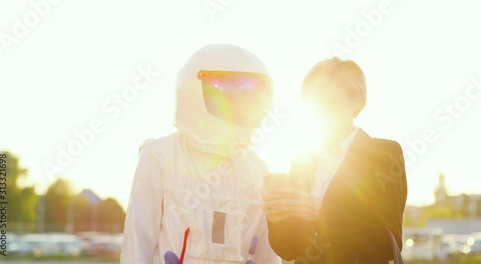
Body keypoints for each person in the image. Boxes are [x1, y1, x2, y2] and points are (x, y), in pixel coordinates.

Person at [120, 44, 280, 263]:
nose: (238, 105)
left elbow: (268, 255)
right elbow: (138, 243)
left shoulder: (257, 171)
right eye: (227, 94)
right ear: (194, 90)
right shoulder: (160, 156)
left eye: (249, 97)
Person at [263, 57, 407, 264]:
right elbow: (290, 249)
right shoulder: (303, 160)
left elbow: (386, 245)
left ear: (357, 100)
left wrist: (320, 211)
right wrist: (277, 218)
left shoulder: (383, 154)